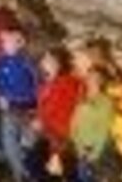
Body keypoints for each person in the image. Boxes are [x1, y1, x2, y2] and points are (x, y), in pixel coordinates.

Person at [0, 29, 40, 182]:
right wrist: (0, 95)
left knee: (28, 140)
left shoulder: (27, 61)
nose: (6, 44)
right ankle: (19, 173)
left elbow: (36, 83)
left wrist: (35, 104)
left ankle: (25, 169)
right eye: (6, 41)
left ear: (19, 43)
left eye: (11, 41)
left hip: (27, 106)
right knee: (9, 139)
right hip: (10, 105)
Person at [33, 46, 85, 179]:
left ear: (57, 63)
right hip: (52, 136)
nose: (43, 61)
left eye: (47, 59)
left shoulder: (67, 83)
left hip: (60, 139)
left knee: (55, 173)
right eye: (44, 58)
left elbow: (55, 109)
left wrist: (40, 121)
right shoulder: (50, 83)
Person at [71, 65, 118, 181]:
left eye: (95, 77)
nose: (91, 79)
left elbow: (104, 129)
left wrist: (93, 153)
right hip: (82, 151)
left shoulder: (106, 102)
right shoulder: (81, 99)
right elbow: (73, 125)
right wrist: (79, 148)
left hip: (98, 153)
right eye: (89, 76)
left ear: (102, 80)